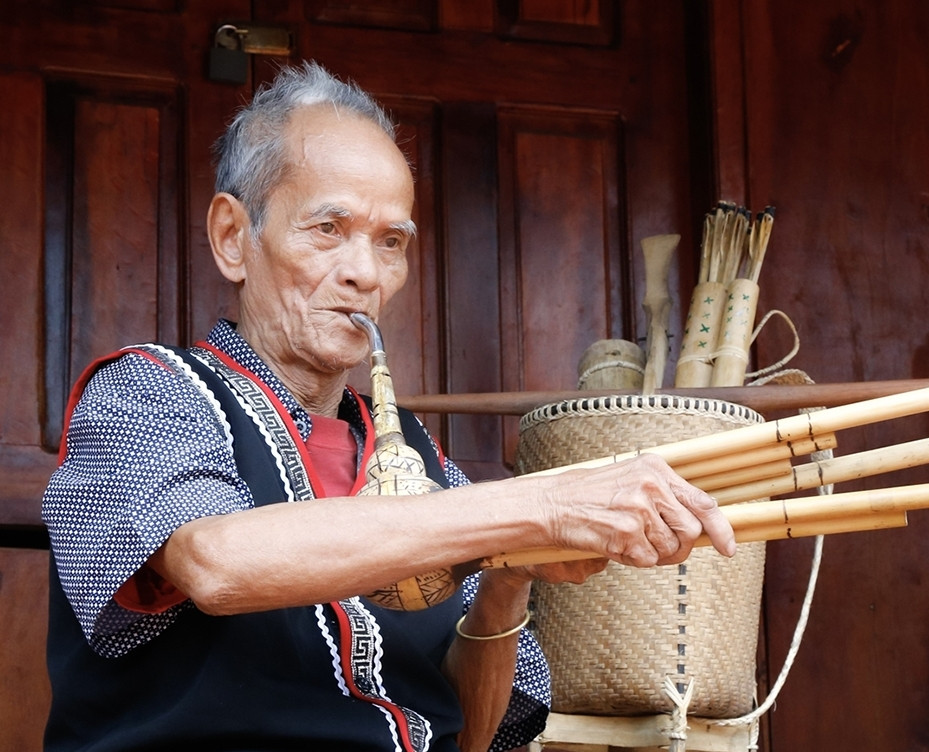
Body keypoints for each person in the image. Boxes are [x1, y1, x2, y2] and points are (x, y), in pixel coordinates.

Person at [41, 61, 736, 752]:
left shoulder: (416, 458)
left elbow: (472, 735)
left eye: (391, 242)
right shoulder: (145, 392)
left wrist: (506, 579)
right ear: (233, 237)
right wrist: (537, 506)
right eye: (327, 228)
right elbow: (214, 563)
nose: (365, 274)